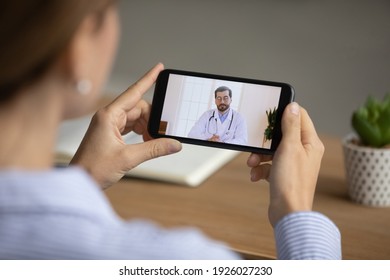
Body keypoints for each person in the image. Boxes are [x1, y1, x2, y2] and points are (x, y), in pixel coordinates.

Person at [0, 1, 341, 259]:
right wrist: (294, 209)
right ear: (78, 51)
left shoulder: (237, 118)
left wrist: (82, 179)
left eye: (225, 97)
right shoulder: (180, 261)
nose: (221, 101)